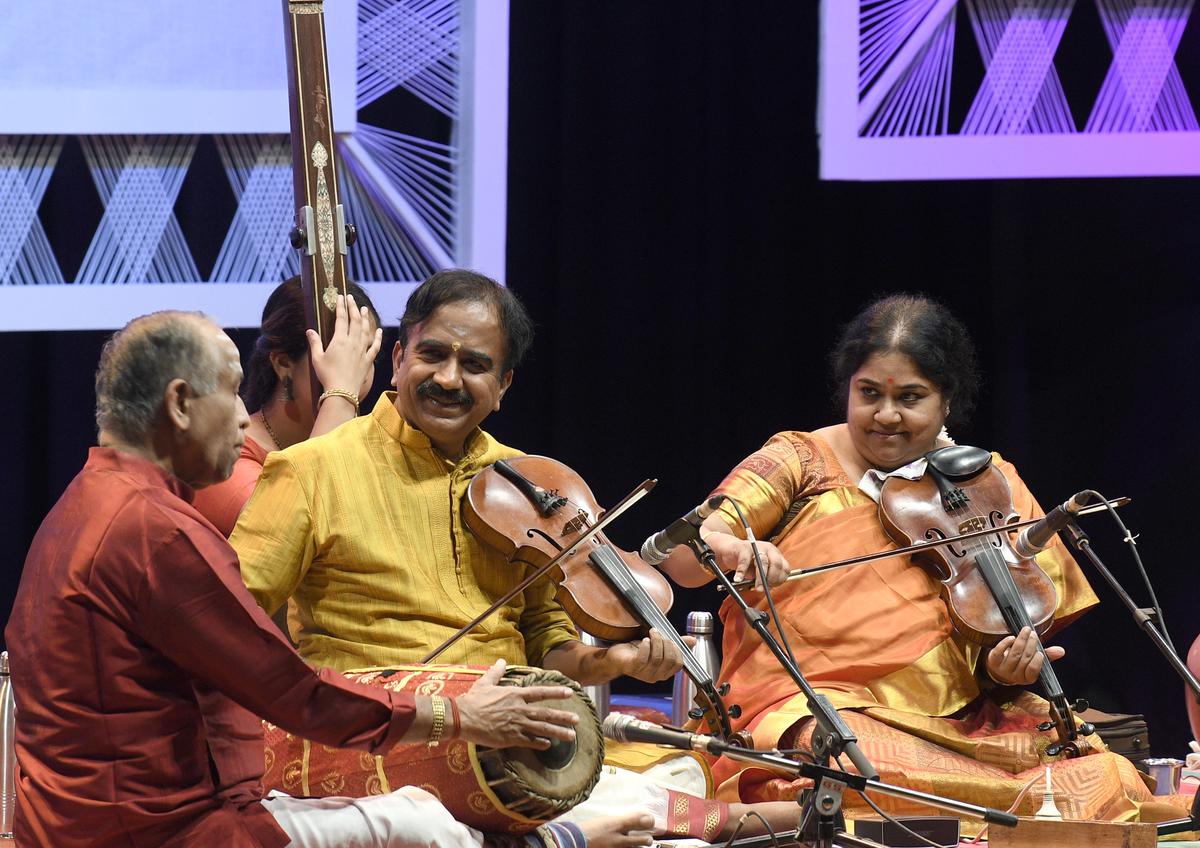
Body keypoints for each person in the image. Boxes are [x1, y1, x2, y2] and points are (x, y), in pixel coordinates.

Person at [5, 310, 648, 848]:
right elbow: (290, 691)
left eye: (476, 365)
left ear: (503, 384)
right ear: (178, 403)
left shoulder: (82, 505)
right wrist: (454, 716)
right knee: (422, 824)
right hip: (157, 830)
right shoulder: (157, 530)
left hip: (84, 821)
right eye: (231, 393)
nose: (244, 420)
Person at [230, 270, 799, 842]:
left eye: (475, 366)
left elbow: (547, 647)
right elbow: (229, 621)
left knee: (645, 770)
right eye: (432, 355)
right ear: (399, 358)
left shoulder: (530, 485)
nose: (449, 379)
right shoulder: (312, 470)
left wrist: (615, 664)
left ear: (503, 386)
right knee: (481, 793)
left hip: (512, 730)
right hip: (382, 725)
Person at [658, 294, 1189, 828]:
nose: (885, 415)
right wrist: (728, 545)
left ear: (947, 401)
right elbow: (686, 556)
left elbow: (996, 656)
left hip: (960, 723)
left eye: (910, 398)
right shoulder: (799, 457)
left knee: (1104, 778)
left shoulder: (990, 485)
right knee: (866, 771)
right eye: (869, 394)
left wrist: (1004, 668)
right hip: (822, 709)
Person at [192, 277, 383, 536]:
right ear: (283, 363)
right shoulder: (229, 459)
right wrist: (340, 393)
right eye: (339, 357)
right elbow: (285, 540)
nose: (355, 373)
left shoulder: (374, 448)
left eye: (365, 355)